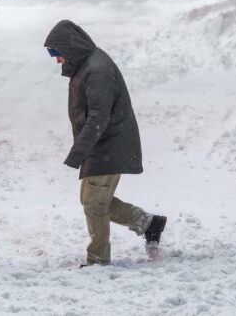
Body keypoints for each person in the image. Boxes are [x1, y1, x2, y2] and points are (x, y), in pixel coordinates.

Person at [43, 20, 167, 266]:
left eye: (59, 55)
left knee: (94, 202)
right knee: (94, 201)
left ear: (70, 48)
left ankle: (98, 258)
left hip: (110, 144)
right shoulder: (88, 65)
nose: (59, 61)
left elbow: (98, 117)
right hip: (105, 145)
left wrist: (78, 152)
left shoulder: (96, 70)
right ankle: (148, 223)